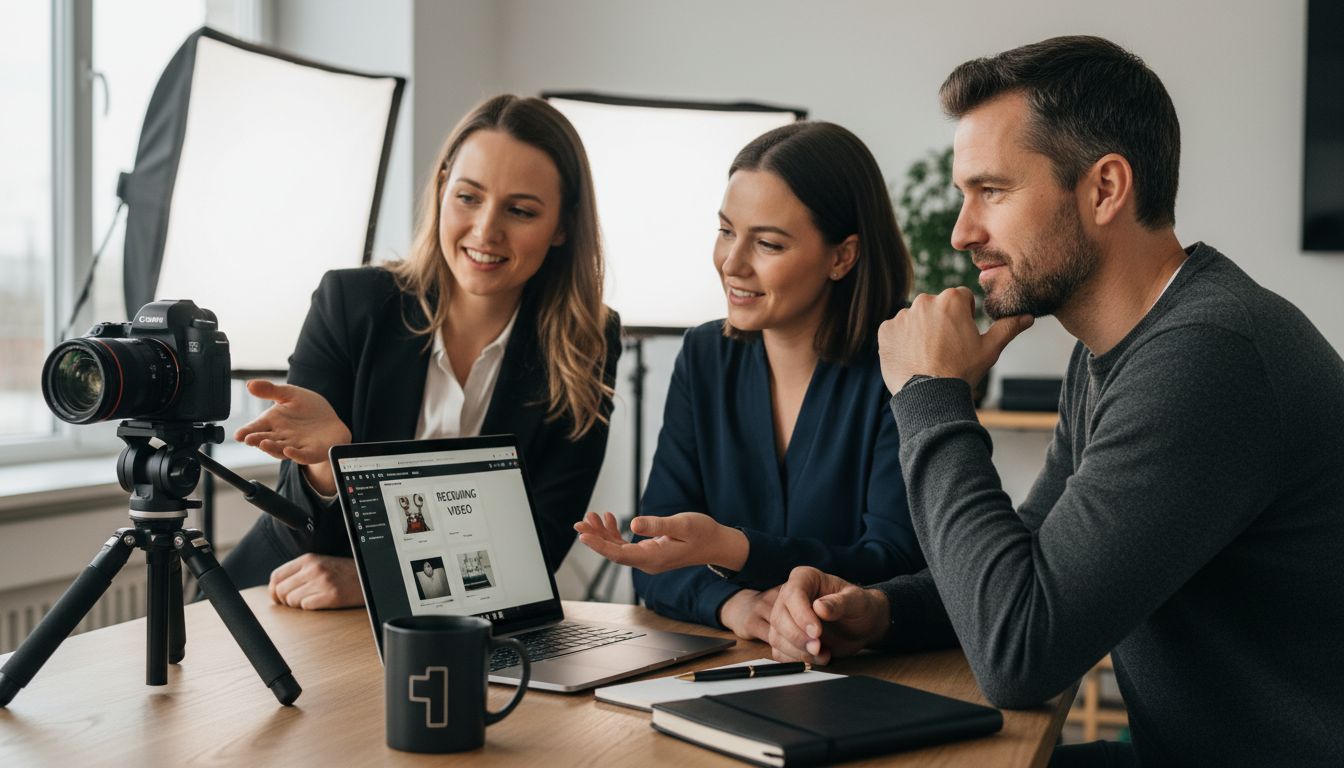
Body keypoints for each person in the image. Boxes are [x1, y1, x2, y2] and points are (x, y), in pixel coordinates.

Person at [767, 36, 1344, 766]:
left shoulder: (1209, 356)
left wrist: (930, 394)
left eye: (993, 191)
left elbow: (1020, 652)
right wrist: (881, 611)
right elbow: (1037, 563)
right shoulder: (1115, 349)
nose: (963, 231)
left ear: (1104, 189)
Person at [224, 94, 622, 610]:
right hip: (277, 604)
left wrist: (379, 584)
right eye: (468, 197)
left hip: (453, 623)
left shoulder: (587, 342)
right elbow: (301, 532)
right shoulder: (350, 303)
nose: (486, 230)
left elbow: (538, 550)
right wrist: (324, 463)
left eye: (520, 211)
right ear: (441, 189)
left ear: (563, 226)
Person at [576, 122, 925, 642]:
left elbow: (896, 565)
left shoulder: (905, 362)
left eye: (767, 243)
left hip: (880, 669)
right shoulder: (704, 356)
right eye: (725, 231)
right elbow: (654, 558)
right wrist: (735, 606)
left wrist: (729, 548)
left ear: (842, 256)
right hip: (738, 658)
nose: (732, 263)